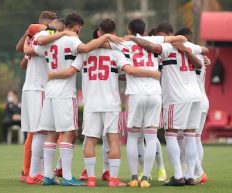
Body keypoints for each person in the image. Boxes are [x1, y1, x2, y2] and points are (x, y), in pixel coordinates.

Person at [48, 18, 160, 187]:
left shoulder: (85, 53)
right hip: (111, 104)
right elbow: (129, 70)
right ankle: (113, 179)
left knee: (91, 140)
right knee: (113, 140)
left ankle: (91, 179)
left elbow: (71, 71)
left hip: (91, 104)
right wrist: (152, 73)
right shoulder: (116, 53)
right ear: (114, 34)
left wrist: (51, 75)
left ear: (99, 33)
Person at [26, 12, 122, 186]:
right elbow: (85, 49)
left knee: (51, 133)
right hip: (65, 93)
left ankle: (48, 176)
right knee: (68, 133)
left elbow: (33, 48)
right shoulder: (72, 40)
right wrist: (107, 36)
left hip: (50, 92)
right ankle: (68, 177)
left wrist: (31, 40)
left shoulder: (50, 40)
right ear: (77, 27)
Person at [129, 21, 208, 186]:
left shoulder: (167, 47)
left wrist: (134, 39)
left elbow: (151, 46)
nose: (158, 39)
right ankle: (190, 176)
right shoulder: (190, 45)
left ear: (164, 34)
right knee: (191, 136)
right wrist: (188, 50)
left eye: (159, 36)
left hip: (176, 98)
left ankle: (178, 176)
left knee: (170, 135)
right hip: (195, 97)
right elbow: (204, 54)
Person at [108, 18, 184, 188]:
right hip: (155, 93)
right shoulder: (155, 40)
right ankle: (146, 178)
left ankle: (135, 176)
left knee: (133, 137)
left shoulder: (123, 44)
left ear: (129, 30)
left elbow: (103, 44)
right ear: (145, 30)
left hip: (136, 94)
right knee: (151, 137)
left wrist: (116, 37)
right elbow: (178, 39)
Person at [17, 11, 58, 183]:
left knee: (36, 132)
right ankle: (34, 173)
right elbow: (25, 53)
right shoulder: (46, 36)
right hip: (39, 88)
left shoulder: (34, 38)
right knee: (41, 132)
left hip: (30, 88)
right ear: (48, 23)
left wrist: (28, 38)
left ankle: (33, 172)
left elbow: (24, 60)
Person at [175, 27, 210, 184]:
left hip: (190, 99)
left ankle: (197, 171)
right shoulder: (201, 54)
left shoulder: (182, 53)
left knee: (188, 139)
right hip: (202, 99)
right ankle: (196, 171)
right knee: (196, 138)